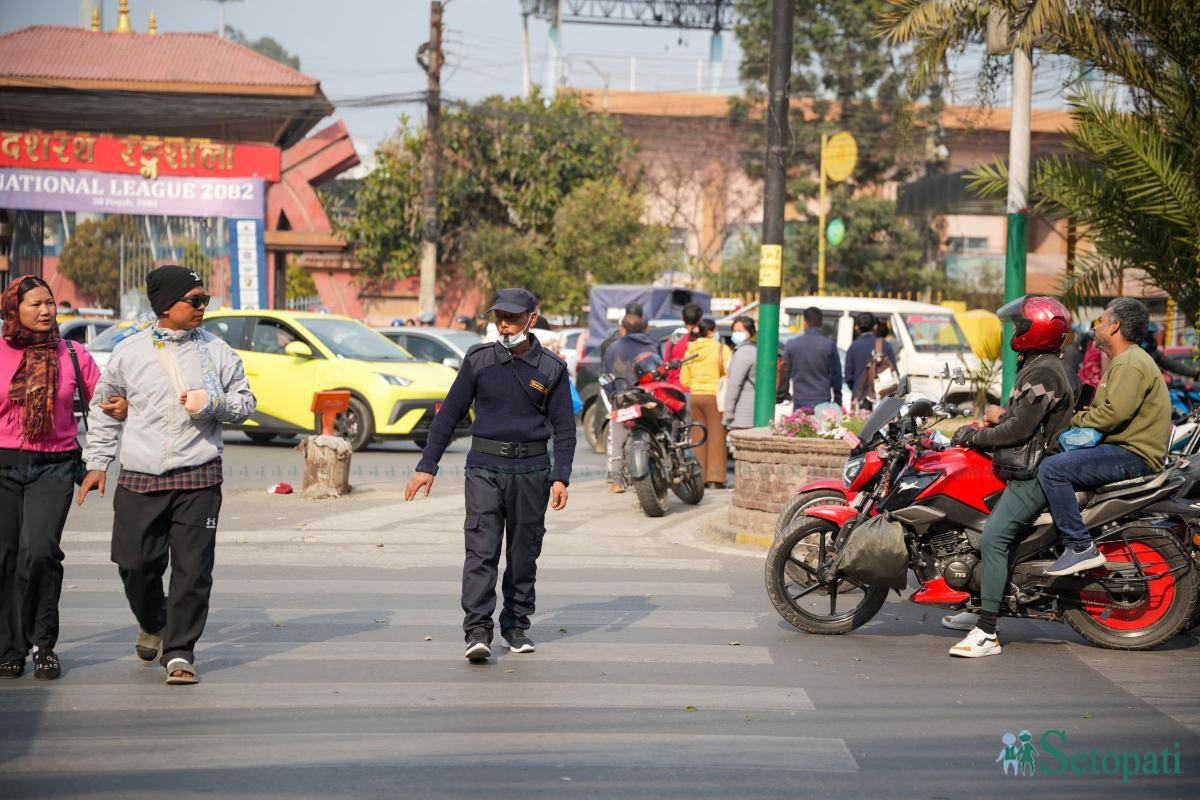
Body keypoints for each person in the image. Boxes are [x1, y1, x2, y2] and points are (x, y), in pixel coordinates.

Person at [78, 265, 256, 685]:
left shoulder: (218, 351)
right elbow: (105, 410)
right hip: (141, 476)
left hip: (200, 477)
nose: (201, 308)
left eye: (204, 300)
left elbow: (246, 404)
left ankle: (179, 651)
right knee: (134, 563)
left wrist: (211, 402)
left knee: (193, 570)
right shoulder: (130, 352)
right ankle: (154, 622)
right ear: (165, 305)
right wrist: (96, 463)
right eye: (193, 301)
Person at [405, 288, 576, 663]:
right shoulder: (478, 361)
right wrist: (426, 467)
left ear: (532, 318)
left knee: (523, 553)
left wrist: (561, 476)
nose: (504, 324)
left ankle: (516, 627)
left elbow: (565, 428)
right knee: (481, 551)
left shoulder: (551, 369)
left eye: (512, 318)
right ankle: (478, 631)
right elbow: (449, 414)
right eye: (499, 316)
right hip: (484, 468)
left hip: (532, 471)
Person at [941, 296, 1074, 658]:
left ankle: (987, 633)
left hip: (1033, 474)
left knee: (993, 540)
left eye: (1022, 325)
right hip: (1019, 466)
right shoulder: (1037, 364)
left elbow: (1019, 431)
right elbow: (1019, 420)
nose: (1016, 330)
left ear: (1039, 330)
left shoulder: (1045, 371)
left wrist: (974, 436)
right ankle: (977, 605)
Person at [0, 278, 107, 680]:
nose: (46, 311)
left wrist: (118, 406)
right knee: (5, 557)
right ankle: (10, 647)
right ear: (13, 310)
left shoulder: (74, 354)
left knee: (40, 551)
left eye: (49, 303)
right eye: (35, 305)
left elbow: (106, 403)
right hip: (2, 463)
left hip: (54, 465)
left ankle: (43, 643)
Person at [1037, 297, 1172, 577]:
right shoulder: (1126, 361)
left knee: (1051, 470)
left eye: (1100, 320)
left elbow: (1113, 415)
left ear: (1115, 327)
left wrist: (1071, 421)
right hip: (1127, 450)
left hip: (1133, 455)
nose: (1095, 327)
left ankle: (1079, 545)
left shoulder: (1129, 363)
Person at [602, 312, 657, 493]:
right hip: (648, 398)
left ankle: (617, 482)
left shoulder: (614, 348)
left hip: (623, 399)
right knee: (657, 434)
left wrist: (613, 397)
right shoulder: (652, 345)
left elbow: (605, 377)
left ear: (623, 329)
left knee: (618, 441)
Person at [680, 318, 729, 489]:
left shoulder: (689, 351)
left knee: (698, 435)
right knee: (716, 434)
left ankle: (698, 476)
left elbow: (684, 379)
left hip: (695, 396)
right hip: (714, 396)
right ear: (710, 332)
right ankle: (715, 478)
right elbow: (729, 371)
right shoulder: (721, 349)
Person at [783, 306, 842, 411]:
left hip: (800, 397)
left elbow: (785, 372)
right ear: (821, 323)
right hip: (822, 398)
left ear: (805, 322)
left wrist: (785, 394)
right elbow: (836, 374)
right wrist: (838, 398)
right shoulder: (829, 345)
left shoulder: (792, 344)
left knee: (799, 426)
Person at [844, 312, 897, 410]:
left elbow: (848, 377)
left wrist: (858, 388)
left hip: (859, 400)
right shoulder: (885, 345)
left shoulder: (853, 347)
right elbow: (894, 371)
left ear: (856, 327)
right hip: (882, 399)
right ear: (875, 326)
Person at [722, 315, 757, 432]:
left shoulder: (744, 352)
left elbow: (734, 384)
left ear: (750, 331)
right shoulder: (755, 349)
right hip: (751, 413)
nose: (736, 334)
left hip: (742, 415)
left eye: (740, 331)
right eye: (734, 331)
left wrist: (728, 413)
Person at [664, 302, 703, 387]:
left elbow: (666, 364)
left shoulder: (673, 339)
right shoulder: (702, 341)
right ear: (700, 319)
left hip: (674, 388)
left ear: (682, 318)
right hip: (694, 387)